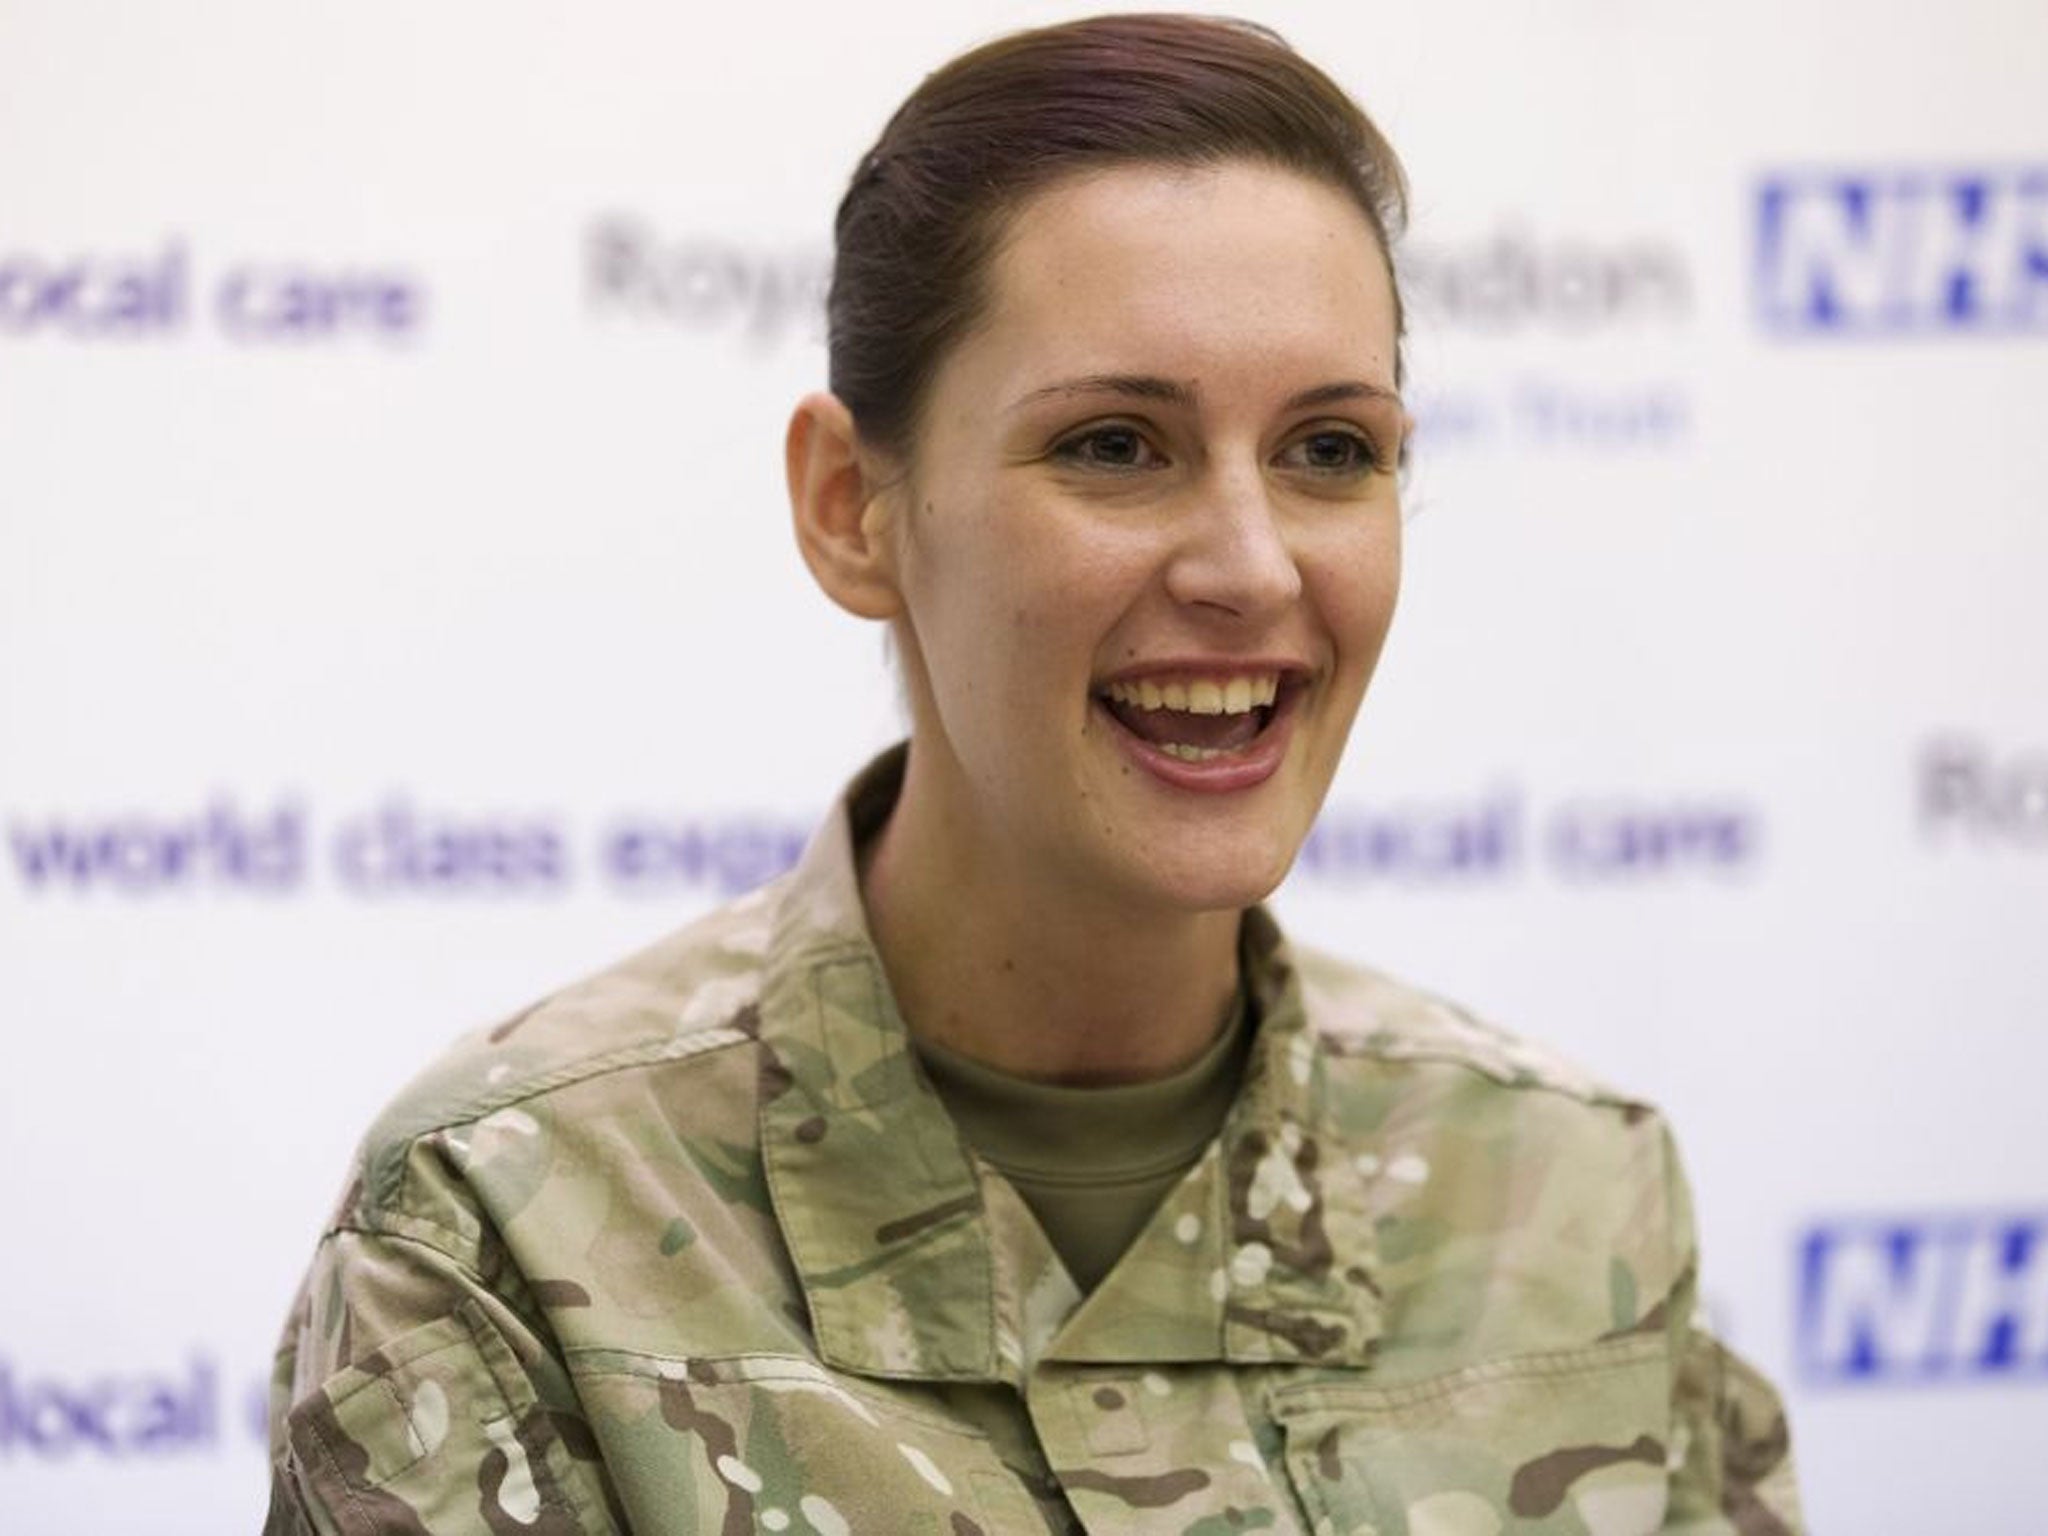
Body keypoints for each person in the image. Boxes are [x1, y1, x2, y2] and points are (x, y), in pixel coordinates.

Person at [264, 14, 1803, 1534]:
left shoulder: (1572, 1189)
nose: (1251, 567)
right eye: (1117, 446)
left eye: (1332, 450)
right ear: (849, 507)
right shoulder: (510, 1230)